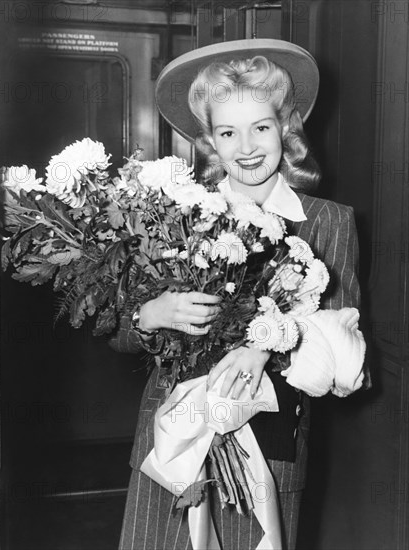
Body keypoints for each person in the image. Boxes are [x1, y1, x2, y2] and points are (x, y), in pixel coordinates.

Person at [109, 39, 361, 550]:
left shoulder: (329, 222)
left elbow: (346, 359)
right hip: (170, 450)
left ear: (285, 131)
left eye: (261, 128)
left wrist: (270, 343)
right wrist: (151, 314)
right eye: (228, 132)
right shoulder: (172, 216)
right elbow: (119, 338)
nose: (246, 146)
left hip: (267, 454)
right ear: (210, 143)